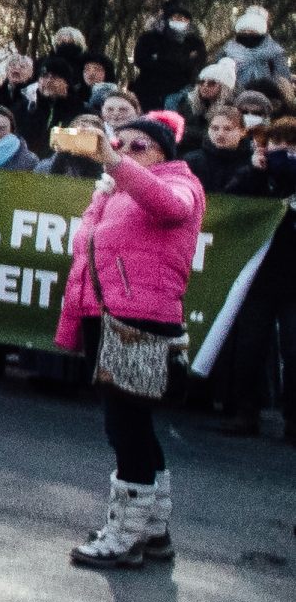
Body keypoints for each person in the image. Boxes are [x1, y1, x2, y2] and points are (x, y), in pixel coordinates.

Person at [54, 111, 203, 568]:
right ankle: (152, 529)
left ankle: (126, 534)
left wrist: (117, 165)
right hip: (109, 314)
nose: (124, 152)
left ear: (163, 152)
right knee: (133, 423)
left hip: (141, 319)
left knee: (127, 427)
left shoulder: (182, 183)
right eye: (121, 144)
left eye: (140, 146)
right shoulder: (113, 190)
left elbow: (170, 206)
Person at [214, 118, 296, 438]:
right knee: (250, 346)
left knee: (294, 348)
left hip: (293, 282)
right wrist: (255, 171)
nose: (284, 152)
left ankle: (293, 419)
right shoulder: (256, 173)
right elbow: (230, 202)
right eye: (277, 145)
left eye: (291, 146)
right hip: (258, 277)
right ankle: (245, 412)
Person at [133, 4, 207, 111]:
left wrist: (160, 59)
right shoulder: (149, 38)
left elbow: (198, 63)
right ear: (168, 19)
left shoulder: (195, 42)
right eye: (176, 17)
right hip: (150, 91)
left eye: (184, 18)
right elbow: (141, 60)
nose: (180, 21)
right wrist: (180, 61)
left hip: (181, 90)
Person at [221, 6, 290, 94]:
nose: (247, 34)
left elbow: (282, 79)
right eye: (244, 32)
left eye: (252, 32)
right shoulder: (228, 50)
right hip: (233, 95)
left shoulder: (274, 51)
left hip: (266, 94)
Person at [187, 104, 254, 194]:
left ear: (243, 131)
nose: (220, 134)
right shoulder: (193, 161)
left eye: (228, 129)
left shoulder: (252, 162)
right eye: (215, 128)